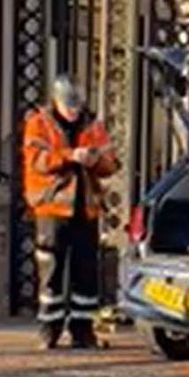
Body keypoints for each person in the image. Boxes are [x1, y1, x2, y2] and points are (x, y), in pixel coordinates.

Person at [22, 75, 118, 350]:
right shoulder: (38, 123)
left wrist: (96, 159)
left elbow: (111, 162)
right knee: (50, 269)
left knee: (85, 271)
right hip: (52, 207)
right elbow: (37, 161)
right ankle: (49, 329)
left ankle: (82, 330)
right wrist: (69, 155)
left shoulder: (92, 125)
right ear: (57, 101)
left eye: (77, 107)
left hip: (84, 208)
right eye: (69, 107)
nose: (74, 112)